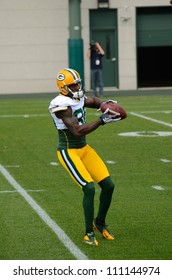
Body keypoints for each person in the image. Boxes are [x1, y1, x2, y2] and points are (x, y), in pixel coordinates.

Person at [49, 68, 121, 246]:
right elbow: (77, 131)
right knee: (89, 188)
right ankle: (88, 233)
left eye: (77, 83)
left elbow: (92, 100)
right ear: (64, 87)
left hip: (84, 149)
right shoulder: (59, 103)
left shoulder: (76, 97)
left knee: (109, 185)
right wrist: (101, 120)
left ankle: (99, 223)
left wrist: (104, 104)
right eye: (72, 85)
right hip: (68, 150)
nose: (77, 87)